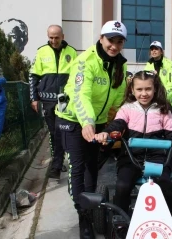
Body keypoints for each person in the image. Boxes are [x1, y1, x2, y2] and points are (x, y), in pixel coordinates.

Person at [55, 20, 128, 238]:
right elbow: (81, 95)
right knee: (78, 167)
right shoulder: (85, 61)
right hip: (73, 119)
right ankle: (83, 217)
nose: (114, 46)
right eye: (110, 40)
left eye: (119, 42)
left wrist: (117, 117)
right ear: (101, 38)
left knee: (92, 168)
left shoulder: (120, 65)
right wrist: (87, 121)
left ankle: (89, 206)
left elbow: (119, 94)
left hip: (96, 121)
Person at [94, 71, 172, 220]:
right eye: (139, 89)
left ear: (154, 89)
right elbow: (117, 124)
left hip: (156, 159)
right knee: (122, 186)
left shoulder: (163, 110)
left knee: (166, 185)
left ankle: (170, 220)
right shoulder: (127, 109)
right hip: (131, 159)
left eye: (148, 89)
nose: (144, 93)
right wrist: (106, 133)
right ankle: (120, 222)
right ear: (132, 90)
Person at [29, 25, 77, 179]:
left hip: (64, 100)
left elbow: (77, 77)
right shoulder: (41, 51)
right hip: (47, 99)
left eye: (56, 37)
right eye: (51, 37)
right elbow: (33, 76)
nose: (53, 40)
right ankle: (57, 161)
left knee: (62, 131)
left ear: (63, 36)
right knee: (54, 132)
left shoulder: (72, 52)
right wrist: (34, 98)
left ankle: (56, 166)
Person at [144, 41, 172, 120]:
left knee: (169, 129)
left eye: (156, 49)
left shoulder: (170, 65)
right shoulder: (148, 65)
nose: (153, 51)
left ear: (161, 51)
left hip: (169, 102)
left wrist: (161, 98)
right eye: (152, 49)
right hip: (154, 102)